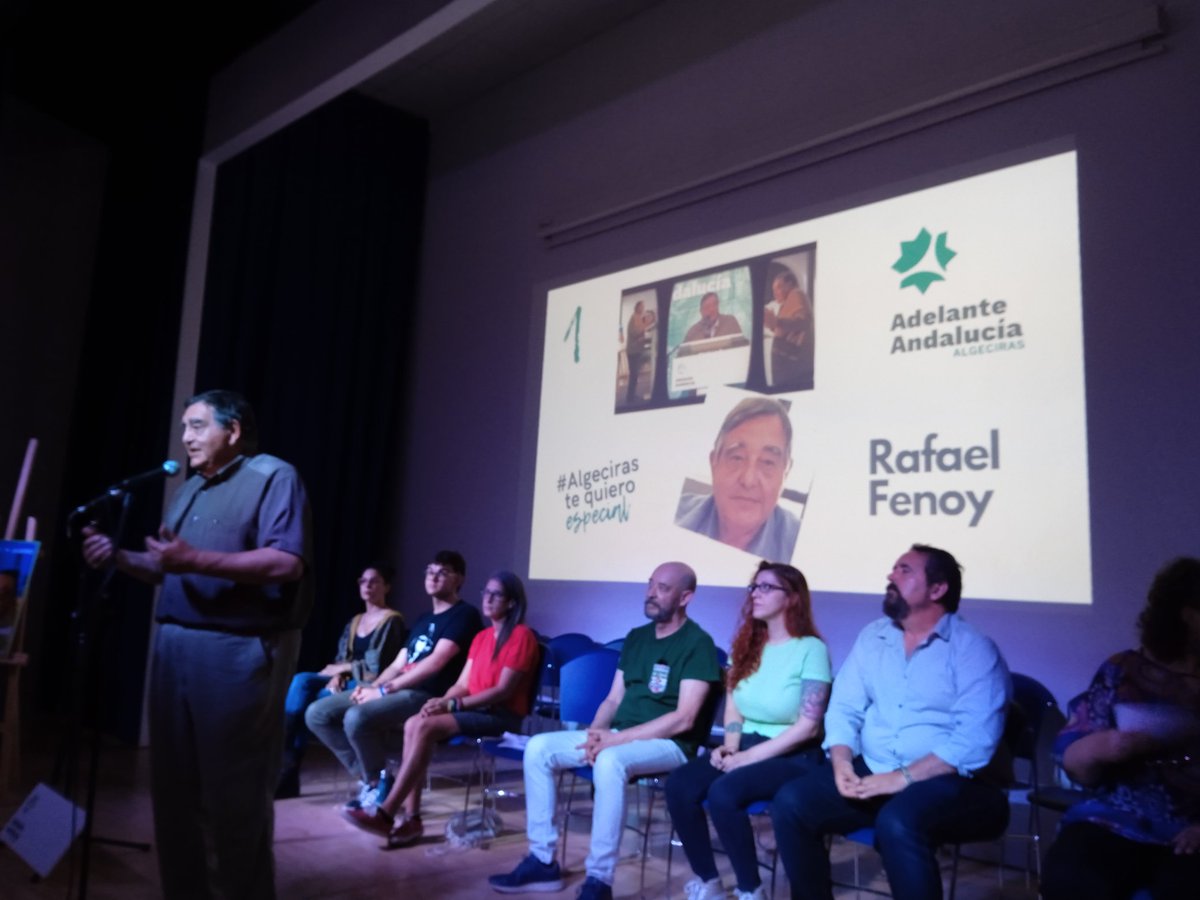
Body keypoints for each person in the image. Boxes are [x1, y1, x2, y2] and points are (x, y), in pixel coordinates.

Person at [80, 389, 313, 900]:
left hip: (236, 652)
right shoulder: (189, 490)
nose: (186, 437)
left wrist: (196, 562)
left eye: (197, 425)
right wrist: (117, 556)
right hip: (174, 645)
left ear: (232, 431)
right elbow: (170, 569)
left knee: (232, 796)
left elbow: (286, 562)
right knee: (174, 793)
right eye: (184, 427)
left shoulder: (273, 476)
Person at [770, 544, 1011, 900]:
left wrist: (900, 779)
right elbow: (845, 708)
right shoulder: (874, 637)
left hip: (951, 779)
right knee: (791, 802)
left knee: (898, 821)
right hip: (873, 768)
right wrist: (840, 763)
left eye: (904, 570)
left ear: (937, 589)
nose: (890, 576)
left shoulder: (973, 649)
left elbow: (973, 741)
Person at [488, 561, 722, 900]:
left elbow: (685, 719)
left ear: (686, 597)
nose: (651, 593)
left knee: (611, 760)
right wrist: (596, 733)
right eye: (650, 584)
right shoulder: (637, 638)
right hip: (619, 736)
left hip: (671, 744)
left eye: (663, 588)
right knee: (539, 748)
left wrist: (615, 740)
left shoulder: (697, 643)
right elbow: (613, 699)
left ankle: (599, 880)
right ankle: (542, 860)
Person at [666, 560, 831, 900]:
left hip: (793, 753)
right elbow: (733, 705)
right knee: (680, 784)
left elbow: (808, 726)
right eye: (754, 587)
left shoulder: (811, 649)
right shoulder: (747, 645)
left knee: (725, 792)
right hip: (747, 745)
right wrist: (730, 747)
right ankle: (710, 882)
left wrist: (746, 758)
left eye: (766, 587)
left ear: (792, 598)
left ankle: (749, 890)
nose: (755, 593)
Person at [343, 570, 540, 848]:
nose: (488, 598)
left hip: (500, 716)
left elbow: (502, 691)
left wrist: (453, 705)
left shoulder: (522, 636)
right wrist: (441, 703)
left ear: (511, 602)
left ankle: (386, 813)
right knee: (415, 722)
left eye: (497, 594)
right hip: (474, 709)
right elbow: (462, 683)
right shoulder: (482, 638)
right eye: (486, 592)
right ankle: (411, 820)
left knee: (423, 726)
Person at [1041, 557, 1200, 900]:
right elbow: (1077, 766)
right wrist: (1105, 748)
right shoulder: (1122, 670)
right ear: (1183, 614)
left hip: (1192, 827)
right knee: (1072, 877)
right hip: (1116, 818)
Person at [305, 550, 482, 810]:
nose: (434, 577)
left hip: (426, 695)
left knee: (357, 718)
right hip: (398, 690)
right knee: (317, 713)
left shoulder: (464, 615)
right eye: (430, 571)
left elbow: (435, 663)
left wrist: (384, 691)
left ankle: (376, 784)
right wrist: (372, 688)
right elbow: (398, 663)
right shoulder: (423, 619)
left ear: (460, 580)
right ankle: (376, 778)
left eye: (443, 572)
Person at [276, 563, 407, 799]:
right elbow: (340, 658)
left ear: (386, 586)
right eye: (363, 581)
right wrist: (337, 674)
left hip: (368, 685)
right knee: (301, 680)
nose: (367, 586)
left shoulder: (391, 621)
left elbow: (377, 668)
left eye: (374, 581)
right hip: (346, 680)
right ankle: (287, 759)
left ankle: (287, 769)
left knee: (307, 702)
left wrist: (343, 669)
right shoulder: (356, 620)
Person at [675, 397, 801, 561]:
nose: (748, 481)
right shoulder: (672, 515)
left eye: (768, 462)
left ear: (786, 472)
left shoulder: (804, 547)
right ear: (714, 462)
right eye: (737, 458)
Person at [767, 270, 813, 390]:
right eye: (773, 290)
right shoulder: (788, 301)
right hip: (791, 370)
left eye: (779, 287)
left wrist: (776, 322)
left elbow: (801, 322)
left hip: (793, 371)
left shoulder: (796, 294)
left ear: (790, 284)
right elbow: (786, 329)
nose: (775, 293)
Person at [624, 299, 656, 405]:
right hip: (633, 351)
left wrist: (646, 335)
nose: (643, 308)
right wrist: (645, 328)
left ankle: (632, 395)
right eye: (641, 306)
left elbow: (641, 335)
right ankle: (630, 398)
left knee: (635, 374)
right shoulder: (634, 317)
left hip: (638, 350)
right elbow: (634, 332)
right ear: (637, 307)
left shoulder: (639, 318)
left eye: (643, 306)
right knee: (634, 375)